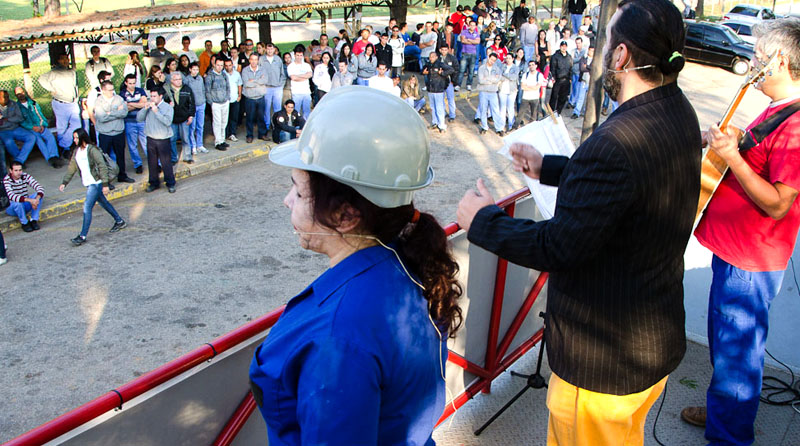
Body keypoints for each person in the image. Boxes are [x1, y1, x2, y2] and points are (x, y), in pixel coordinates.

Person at [456, 0, 698, 443]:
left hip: (604, 366)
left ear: (622, 55)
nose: (601, 52)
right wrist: (550, 168)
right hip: (650, 343)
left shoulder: (617, 140)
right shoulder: (677, 109)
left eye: (607, 43)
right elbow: (629, 185)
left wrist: (483, 221)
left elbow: (559, 246)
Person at [250, 86, 461, 446]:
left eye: (299, 192)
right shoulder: (407, 258)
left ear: (346, 215)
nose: (288, 201)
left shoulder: (340, 335)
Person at [682, 17, 800, 446]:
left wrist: (731, 156)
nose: (753, 63)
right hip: (735, 254)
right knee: (727, 348)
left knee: (737, 355)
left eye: (760, 57)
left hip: (749, 262)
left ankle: (729, 436)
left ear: (781, 62)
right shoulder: (777, 109)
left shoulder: (796, 123)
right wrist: (727, 143)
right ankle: (724, 416)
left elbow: (778, 202)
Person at [60, 128, 126, 246]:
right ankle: (119, 220)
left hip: (95, 183)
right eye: (74, 138)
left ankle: (82, 235)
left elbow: (102, 166)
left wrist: (105, 184)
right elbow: (72, 167)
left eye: (76, 138)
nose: (74, 140)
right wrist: (65, 182)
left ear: (82, 138)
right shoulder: (77, 151)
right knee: (103, 203)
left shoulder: (92, 150)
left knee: (87, 207)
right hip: (89, 182)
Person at [39, 54, 81, 157]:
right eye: (62, 59)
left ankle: (63, 144)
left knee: (77, 125)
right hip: (60, 102)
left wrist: (76, 97)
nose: (65, 61)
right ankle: (65, 149)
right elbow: (41, 79)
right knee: (62, 127)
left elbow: (75, 85)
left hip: (72, 102)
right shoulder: (54, 72)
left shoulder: (71, 72)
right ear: (58, 61)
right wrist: (52, 89)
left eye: (66, 59)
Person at [94, 80, 135, 183]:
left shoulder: (119, 99)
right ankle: (105, 180)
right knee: (104, 158)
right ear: (103, 90)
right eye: (109, 90)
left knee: (120, 155)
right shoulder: (98, 101)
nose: (112, 92)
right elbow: (101, 117)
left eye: (112, 89)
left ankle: (122, 175)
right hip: (105, 134)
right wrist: (116, 111)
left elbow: (124, 113)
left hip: (118, 132)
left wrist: (109, 113)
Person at [137, 86, 176, 193]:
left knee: (166, 163)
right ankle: (154, 183)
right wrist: (144, 109)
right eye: (151, 96)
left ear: (160, 96)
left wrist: (156, 112)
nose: (152, 98)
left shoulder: (167, 107)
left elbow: (168, 122)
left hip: (163, 139)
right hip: (151, 138)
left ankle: (170, 183)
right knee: (152, 163)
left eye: (154, 96)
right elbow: (139, 118)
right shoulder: (149, 106)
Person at [13, 88, 63, 168]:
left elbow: (40, 115)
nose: (21, 95)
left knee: (50, 137)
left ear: (24, 92)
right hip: (30, 128)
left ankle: (54, 156)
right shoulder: (17, 107)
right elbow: (21, 121)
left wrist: (42, 125)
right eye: (18, 94)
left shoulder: (33, 103)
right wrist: (32, 127)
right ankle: (50, 159)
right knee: (39, 140)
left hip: (40, 126)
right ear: (16, 95)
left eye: (22, 92)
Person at [0, 90, 37, 173]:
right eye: (4, 97)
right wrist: (10, 120)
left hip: (15, 128)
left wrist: (7, 119)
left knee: (31, 137)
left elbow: (20, 118)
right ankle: (19, 162)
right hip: (3, 131)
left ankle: (19, 160)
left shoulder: (13, 103)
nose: (6, 98)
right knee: (9, 142)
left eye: (7, 96)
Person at [164, 71, 196, 164]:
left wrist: (191, 116)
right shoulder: (167, 90)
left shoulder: (187, 89)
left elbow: (192, 104)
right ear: (171, 80)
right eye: (176, 79)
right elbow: (162, 104)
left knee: (185, 138)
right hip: (172, 119)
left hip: (184, 118)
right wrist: (168, 105)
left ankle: (187, 156)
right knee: (172, 139)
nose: (179, 81)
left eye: (180, 79)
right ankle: (174, 158)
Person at [3, 161, 44, 232]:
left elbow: (39, 187)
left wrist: (36, 200)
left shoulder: (25, 176)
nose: (19, 172)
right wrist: (30, 201)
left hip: (24, 203)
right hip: (12, 207)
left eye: (20, 170)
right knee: (17, 203)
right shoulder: (6, 180)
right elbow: (11, 196)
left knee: (38, 195)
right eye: (16, 170)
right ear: (10, 171)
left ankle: (34, 220)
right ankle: (24, 223)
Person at [120, 74, 148, 174]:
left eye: (134, 83)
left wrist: (130, 104)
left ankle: (154, 163)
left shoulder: (140, 90)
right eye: (130, 83)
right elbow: (125, 108)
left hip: (141, 121)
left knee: (146, 143)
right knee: (132, 145)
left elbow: (144, 104)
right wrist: (138, 104)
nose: (132, 85)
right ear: (126, 83)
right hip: (129, 122)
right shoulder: (122, 93)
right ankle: (138, 164)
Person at [423, 52, 454, 133]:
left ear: (436, 57)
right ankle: (435, 122)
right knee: (433, 107)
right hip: (431, 89)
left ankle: (442, 125)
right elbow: (423, 70)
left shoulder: (440, 64)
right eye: (430, 57)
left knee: (439, 108)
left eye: (433, 57)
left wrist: (442, 73)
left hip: (438, 89)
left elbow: (451, 70)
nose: (431, 58)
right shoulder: (428, 64)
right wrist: (424, 72)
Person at [261, 43, 288, 136]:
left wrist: (280, 85)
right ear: (265, 50)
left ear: (274, 50)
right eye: (268, 49)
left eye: (271, 49)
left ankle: (277, 125)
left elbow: (282, 74)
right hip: (266, 87)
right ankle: (267, 126)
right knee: (266, 108)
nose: (269, 51)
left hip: (277, 88)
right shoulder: (261, 59)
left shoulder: (278, 59)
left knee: (277, 108)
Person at [241, 54, 268, 143]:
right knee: (250, 118)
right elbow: (246, 83)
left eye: (255, 59)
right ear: (249, 60)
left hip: (260, 97)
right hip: (250, 98)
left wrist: (253, 81)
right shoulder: (245, 70)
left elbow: (265, 80)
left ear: (258, 61)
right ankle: (249, 135)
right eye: (252, 59)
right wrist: (258, 81)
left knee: (261, 117)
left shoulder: (262, 69)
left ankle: (262, 134)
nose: (254, 61)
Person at [205, 58, 230, 151]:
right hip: (215, 103)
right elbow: (207, 90)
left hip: (225, 102)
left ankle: (222, 140)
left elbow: (228, 87)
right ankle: (218, 142)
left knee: (224, 122)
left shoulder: (224, 75)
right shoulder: (210, 76)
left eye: (221, 65)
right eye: (218, 65)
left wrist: (227, 98)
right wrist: (211, 102)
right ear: (214, 65)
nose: (220, 67)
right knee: (217, 122)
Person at [476, 52, 503, 135]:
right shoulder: (481, 68)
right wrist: (492, 80)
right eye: (491, 59)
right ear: (488, 57)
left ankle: (499, 128)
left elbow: (498, 79)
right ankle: (484, 127)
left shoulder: (497, 69)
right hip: (483, 92)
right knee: (483, 110)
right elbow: (481, 80)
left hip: (493, 92)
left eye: (494, 60)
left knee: (495, 110)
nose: (492, 61)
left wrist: (487, 79)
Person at [184, 62, 208, 153]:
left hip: (201, 104)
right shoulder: (187, 80)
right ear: (190, 69)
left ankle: (200, 144)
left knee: (200, 126)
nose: (195, 71)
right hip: (192, 106)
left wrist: (204, 100)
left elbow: (203, 89)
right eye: (194, 69)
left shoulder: (200, 78)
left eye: (197, 70)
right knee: (192, 127)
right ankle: (193, 146)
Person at [286, 46, 314, 120]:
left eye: (301, 55)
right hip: (296, 92)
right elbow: (293, 78)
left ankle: (305, 127)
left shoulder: (306, 65)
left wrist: (298, 76)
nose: (299, 57)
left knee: (307, 112)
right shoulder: (291, 66)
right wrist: (305, 76)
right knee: (296, 112)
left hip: (306, 92)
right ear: (294, 55)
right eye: (297, 55)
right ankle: (296, 127)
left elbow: (310, 75)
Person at [548, 40, 572, 114]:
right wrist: (553, 77)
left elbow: (571, 68)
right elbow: (553, 68)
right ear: (560, 47)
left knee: (563, 97)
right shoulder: (555, 56)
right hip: (558, 79)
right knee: (554, 96)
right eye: (562, 46)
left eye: (565, 47)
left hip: (566, 80)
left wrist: (570, 78)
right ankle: (551, 112)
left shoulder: (569, 57)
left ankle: (558, 112)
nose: (564, 48)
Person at [520, 59, 547, 124]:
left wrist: (528, 87)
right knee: (520, 114)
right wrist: (533, 87)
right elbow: (522, 87)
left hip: (535, 97)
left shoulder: (539, 75)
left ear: (536, 66)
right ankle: (515, 127)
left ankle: (532, 126)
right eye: (530, 65)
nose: (531, 66)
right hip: (525, 97)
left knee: (534, 115)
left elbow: (537, 87)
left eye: (533, 65)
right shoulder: (525, 75)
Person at [570, 46, 593, 119]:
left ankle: (587, 112)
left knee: (590, 99)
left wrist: (587, 66)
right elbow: (582, 68)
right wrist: (589, 68)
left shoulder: (595, 60)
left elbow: (594, 68)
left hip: (591, 82)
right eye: (591, 50)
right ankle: (576, 112)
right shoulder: (584, 58)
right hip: (583, 81)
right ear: (588, 50)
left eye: (593, 51)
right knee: (580, 97)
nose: (592, 52)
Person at [498, 54, 519, 132]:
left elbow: (514, 77)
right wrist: (507, 77)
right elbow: (499, 77)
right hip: (502, 89)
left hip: (512, 90)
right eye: (507, 58)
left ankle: (511, 126)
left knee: (510, 108)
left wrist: (504, 75)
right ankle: (501, 126)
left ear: (513, 59)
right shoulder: (502, 66)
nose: (508, 60)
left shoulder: (516, 68)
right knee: (502, 109)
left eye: (509, 58)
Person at [458, 20, 480, 91]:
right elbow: (463, 41)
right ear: (469, 25)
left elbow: (477, 42)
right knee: (461, 70)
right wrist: (472, 41)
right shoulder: (464, 32)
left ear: (475, 26)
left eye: (474, 25)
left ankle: (469, 84)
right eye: (471, 25)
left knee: (471, 71)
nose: (472, 26)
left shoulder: (476, 33)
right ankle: (458, 85)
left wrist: (469, 40)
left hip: (473, 54)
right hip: (465, 53)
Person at [438, 44, 458, 122]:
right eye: (442, 50)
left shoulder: (452, 58)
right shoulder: (437, 58)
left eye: (445, 50)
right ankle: (443, 113)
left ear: (448, 50)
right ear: (440, 50)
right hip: (440, 81)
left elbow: (456, 70)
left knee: (451, 98)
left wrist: (454, 81)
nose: (444, 51)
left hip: (449, 81)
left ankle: (452, 115)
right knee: (441, 98)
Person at [224, 58, 243, 142]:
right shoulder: (222, 74)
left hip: (235, 99)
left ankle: (232, 133)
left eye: (230, 65)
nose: (228, 67)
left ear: (232, 65)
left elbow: (239, 85)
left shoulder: (237, 74)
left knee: (234, 117)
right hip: (225, 100)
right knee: (225, 118)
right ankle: (225, 134)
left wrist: (239, 95)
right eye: (226, 66)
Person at [568, 37, 587, 110]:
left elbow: (583, 60)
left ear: (582, 43)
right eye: (576, 43)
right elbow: (571, 60)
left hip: (580, 72)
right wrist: (579, 59)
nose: (578, 45)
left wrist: (577, 60)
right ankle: (571, 101)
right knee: (573, 87)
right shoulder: (573, 51)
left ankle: (574, 102)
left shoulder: (584, 51)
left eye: (579, 43)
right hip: (574, 71)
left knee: (578, 88)